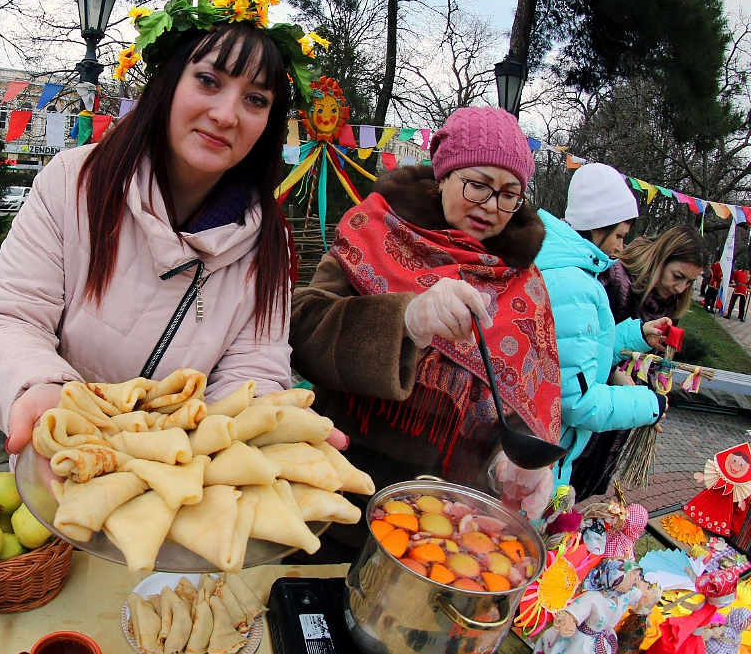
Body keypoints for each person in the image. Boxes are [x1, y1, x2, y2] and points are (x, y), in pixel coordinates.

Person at [0, 0, 343, 453]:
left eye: (256, 100)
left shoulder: (267, 242)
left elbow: (253, 371)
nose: (226, 114)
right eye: (208, 81)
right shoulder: (74, 182)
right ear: (167, 83)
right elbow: (11, 318)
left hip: (182, 487)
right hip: (59, 457)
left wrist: (266, 429)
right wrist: (43, 390)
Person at [291, 106, 561, 533]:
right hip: (335, 484)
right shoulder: (376, 229)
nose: (492, 206)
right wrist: (405, 322)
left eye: (509, 194)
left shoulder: (523, 282)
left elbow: (521, 392)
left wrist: (513, 464)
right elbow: (303, 331)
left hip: (443, 516)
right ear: (443, 175)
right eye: (478, 186)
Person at [534, 163, 667, 489]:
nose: (621, 247)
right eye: (619, 235)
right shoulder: (573, 284)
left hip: (542, 446)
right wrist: (651, 404)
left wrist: (635, 335)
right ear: (597, 228)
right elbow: (576, 402)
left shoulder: (565, 267)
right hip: (541, 456)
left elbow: (572, 347)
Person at [573, 224, 705, 498]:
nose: (680, 288)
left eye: (689, 282)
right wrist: (612, 374)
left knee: (583, 486)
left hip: (623, 406)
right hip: (587, 398)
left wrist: (653, 400)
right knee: (563, 476)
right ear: (661, 258)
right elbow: (585, 342)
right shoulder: (616, 280)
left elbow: (656, 362)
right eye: (677, 276)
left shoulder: (669, 303)